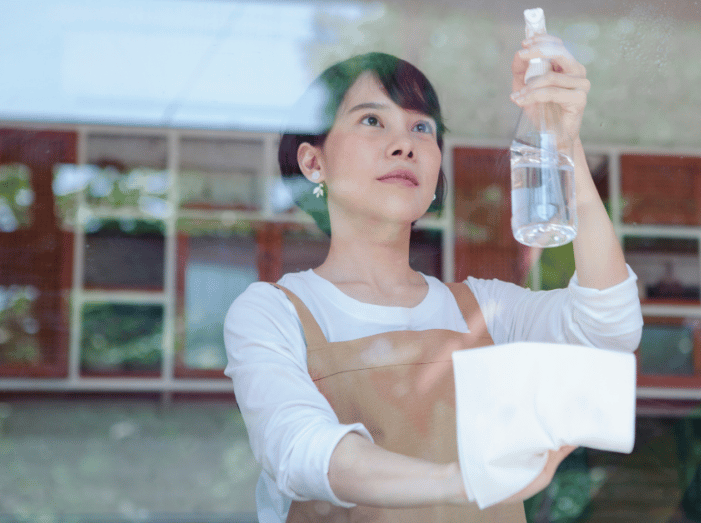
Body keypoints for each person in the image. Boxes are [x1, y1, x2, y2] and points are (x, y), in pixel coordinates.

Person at [224, 35, 642, 523]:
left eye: (422, 128)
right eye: (372, 120)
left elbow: (608, 330)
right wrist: (459, 482)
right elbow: (299, 450)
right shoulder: (273, 312)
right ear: (313, 162)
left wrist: (563, 145)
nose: (405, 144)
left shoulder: (487, 312)